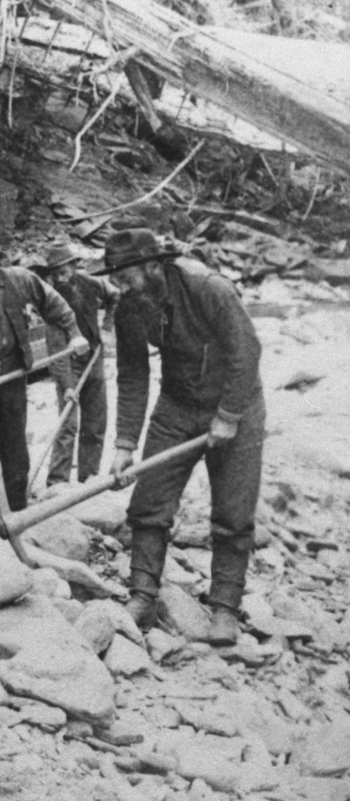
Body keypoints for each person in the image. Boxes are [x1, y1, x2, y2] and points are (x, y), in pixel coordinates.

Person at [103, 229, 263, 646]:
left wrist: (227, 416)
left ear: (154, 265)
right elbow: (132, 375)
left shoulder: (207, 288)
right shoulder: (129, 307)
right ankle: (143, 596)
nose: (119, 286)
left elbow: (246, 352)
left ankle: (225, 608)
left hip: (236, 403)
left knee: (232, 512)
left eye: (125, 275)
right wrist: (124, 445)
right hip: (176, 406)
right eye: (114, 277)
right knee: (148, 503)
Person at [0, 230, 88, 527]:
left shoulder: (21, 280)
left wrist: (74, 334)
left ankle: (17, 518)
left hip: (14, 374)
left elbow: (56, 305)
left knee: (15, 449)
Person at [38, 243, 120, 486]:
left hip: (94, 359)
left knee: (95, 422)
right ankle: (57, 482)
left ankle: (88, 478)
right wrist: (67, 385)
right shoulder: (51, 300)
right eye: (56, 274)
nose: (61, 278)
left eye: (65, 271)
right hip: (69, 364)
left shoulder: (91, 283)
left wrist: (107, 327)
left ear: (74, 266)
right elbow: (57, 351)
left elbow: (115, 296)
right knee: (68, 425)